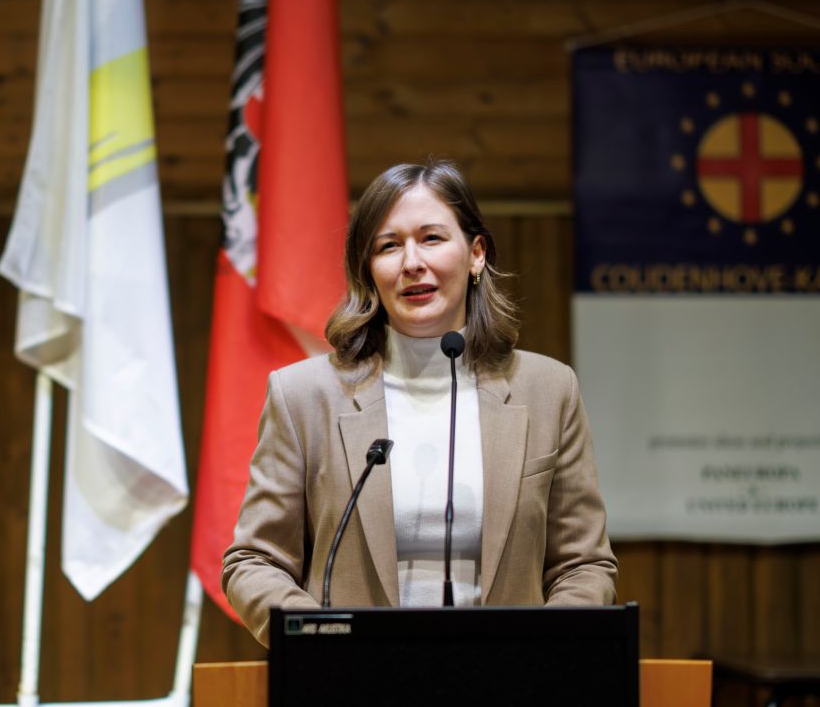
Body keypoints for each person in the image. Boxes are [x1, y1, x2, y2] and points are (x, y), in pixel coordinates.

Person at [223, 160, 617, 644]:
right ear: (369, 270)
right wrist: (324, 643)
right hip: (353, 691)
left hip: (512, 695)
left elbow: (584, 564)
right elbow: (253, 562)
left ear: (476, 254)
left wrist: (541, 650)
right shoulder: (304, 396)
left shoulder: (548, 389)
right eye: (389, 246)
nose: (411, 262)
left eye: (431, 238)